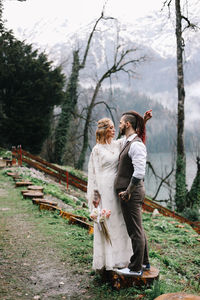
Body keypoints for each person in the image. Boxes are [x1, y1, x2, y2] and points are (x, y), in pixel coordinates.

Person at [87, 110, 152, 272]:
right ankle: (108, 260)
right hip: (104, 191)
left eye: (115, 126)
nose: (114, 129)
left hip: (120, 191)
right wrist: (95, 198)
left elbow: (134, 138)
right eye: (110, 128)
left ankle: (124, 259)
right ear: (103, 130)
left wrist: (143, 121)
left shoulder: (118, 144)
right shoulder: (96, 150)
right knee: (108, 223)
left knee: (123, 225)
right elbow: (93, 176)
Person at [114, 111, 150, 277]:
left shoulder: (136, 145)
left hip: (131, 194)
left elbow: (139, 172)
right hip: (131, 193)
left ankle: (135, 268)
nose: (119, 125)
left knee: (134, 231)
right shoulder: (128, 142)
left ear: (127, 124)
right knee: (138, 229)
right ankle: (145, 262)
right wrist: (144, 123)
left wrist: (128, 191)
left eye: (121, 123)